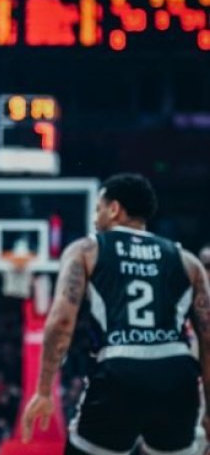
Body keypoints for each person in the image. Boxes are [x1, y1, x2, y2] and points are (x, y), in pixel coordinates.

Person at [21, 173, 210, 455]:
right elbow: (208, 340)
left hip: (120, 367)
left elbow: (61, 321)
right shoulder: (187, 261)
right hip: (176, 372)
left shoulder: (87, 249)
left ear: (114, 209)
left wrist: (44, 390)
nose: (95, 218)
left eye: (98, 209)